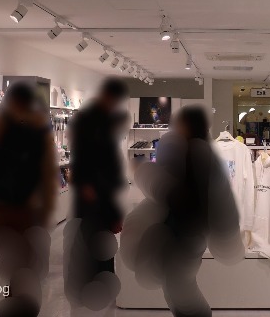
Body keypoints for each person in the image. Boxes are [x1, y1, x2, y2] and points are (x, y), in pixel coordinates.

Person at [126, 106, 242, 317]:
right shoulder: (195, 151)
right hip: (186, 232)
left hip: (187, 234)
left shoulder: (196, 152)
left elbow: (174, 194)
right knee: (176, 288)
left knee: (180, 289)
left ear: (187, 126)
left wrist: (142, 171)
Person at [0, 82, 57, 317]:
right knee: (18, 266)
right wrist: (44, 213)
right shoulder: (38, 132)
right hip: (19, 212)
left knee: (11, 265)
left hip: (0, 211)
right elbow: (47, 177)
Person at [65, 77, 130, 311]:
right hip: (94, 192)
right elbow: (86, 156)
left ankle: (100, 279)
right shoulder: (89, 121)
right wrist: (88, 186)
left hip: (100, 190)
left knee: (99, 234)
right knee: (93, 235)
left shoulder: (100, 120)